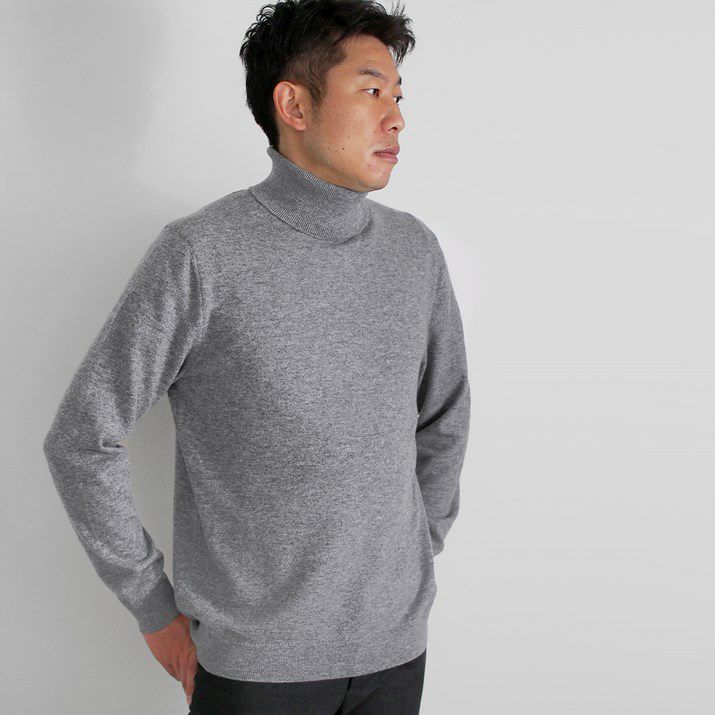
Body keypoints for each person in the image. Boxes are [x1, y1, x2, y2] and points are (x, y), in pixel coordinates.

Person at [42, 0, 471, 712]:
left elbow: (444, 416)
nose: (396, 118)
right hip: (256, 672)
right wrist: (152, 607)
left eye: (398, 96)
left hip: (397, 653)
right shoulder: (201, 254)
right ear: (294, 105)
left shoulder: (413, 252)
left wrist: (414, 550)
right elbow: (82, 438)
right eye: (371, 91)